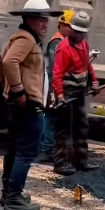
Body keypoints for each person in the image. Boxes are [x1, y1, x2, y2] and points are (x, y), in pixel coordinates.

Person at [0, 0, 62, 210]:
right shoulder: (26, 39)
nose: (45, 23)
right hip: (28, 105)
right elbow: (8, 62)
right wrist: (17, 89)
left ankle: (9, 194)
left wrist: (7, 88)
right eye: (39, 19)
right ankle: (14, 198)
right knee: (25, 152)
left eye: (46, 19)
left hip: (20, 104)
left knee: (14, 149)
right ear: (28, 19)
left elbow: (0, 60)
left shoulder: (18, 37)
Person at [50, 11, 100, 175]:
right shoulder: (63, 48)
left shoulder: (84, 45)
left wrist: (94, 82)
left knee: (81, 127)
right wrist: (60, 96)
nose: (78, 34)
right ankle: (60, 163)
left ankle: (80, 161)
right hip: (67, 93)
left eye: (81, 32)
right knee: (64, 129)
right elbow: (56, 74)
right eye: (76, 31)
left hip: (79, 92)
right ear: (71, 28)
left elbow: (87, 64)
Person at [38, 10, 75, 164]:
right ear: (62, 24)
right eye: (69, 27)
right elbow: (56, 68)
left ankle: (47, 149)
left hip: (56, 86)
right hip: (54, 86)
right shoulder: (57, 42)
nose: (72, 30)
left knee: (53, 119)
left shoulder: (62, 41)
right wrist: (57, 91)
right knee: (51, 118)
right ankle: (46, 151)